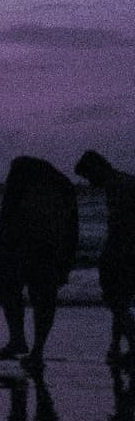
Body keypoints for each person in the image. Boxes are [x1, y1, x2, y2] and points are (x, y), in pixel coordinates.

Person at [0, 156, 79, 367]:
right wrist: (68, 257)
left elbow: (7, 216)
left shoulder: (23, 181)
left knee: (21, 294)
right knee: (40, 299)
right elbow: (73, 226)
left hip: (30, 249)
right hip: (44, 249)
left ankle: (22, 342)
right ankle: (32, 346)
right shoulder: (62, 185)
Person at [75, 150, 135, 366]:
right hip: (126, 249)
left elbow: (121, 226)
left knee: (115, 300)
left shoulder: (117, 186)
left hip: (123, 250)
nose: (90, 184)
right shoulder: (125, 181)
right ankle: (117, 345)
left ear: (97, 169)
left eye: (89, 177)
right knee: (121, 299)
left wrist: (110, 254)